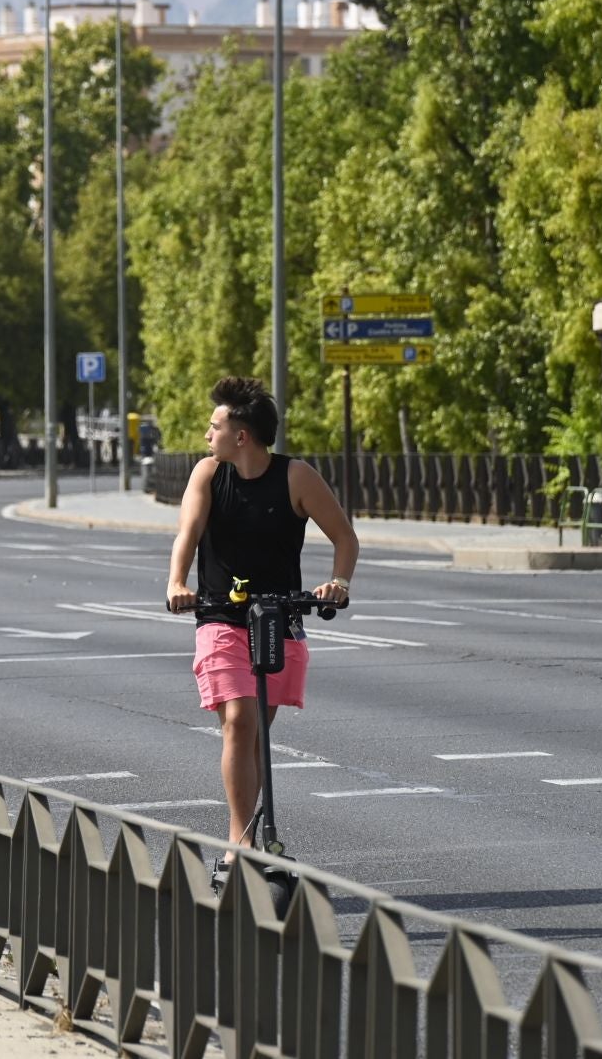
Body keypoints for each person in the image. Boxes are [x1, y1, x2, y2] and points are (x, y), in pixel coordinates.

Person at [165, 376, 358, 879]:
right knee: (238, 722)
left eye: (215, 426)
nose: (208, 435)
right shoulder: (208, 475)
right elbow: (188, 533)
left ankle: (253, 836)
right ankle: (241, 843)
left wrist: (337, 581)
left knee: (257, 739)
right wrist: (176, 582)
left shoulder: (296, 477)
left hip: (278, 618)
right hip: (222, 619)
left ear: (242, 435)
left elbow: (344, 537)